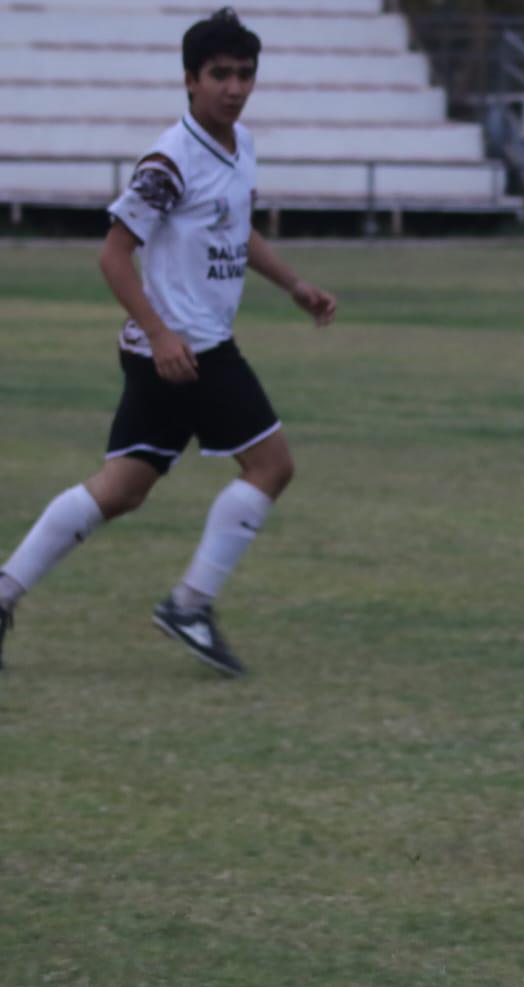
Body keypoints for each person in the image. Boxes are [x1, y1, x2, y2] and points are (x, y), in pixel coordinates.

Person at [0, 8, 336, 677]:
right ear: (190, 80)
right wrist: (161, 333)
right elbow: (114, 255)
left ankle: (4, 592)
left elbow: (235, 232)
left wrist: (292, 285)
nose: (234, 88)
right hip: (187, 352)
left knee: (122, 488)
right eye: (220, 75)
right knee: (272, 467)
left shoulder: (240, 147)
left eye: (244, 75)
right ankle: (190, 604)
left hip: (185, 349)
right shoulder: (169, 160)